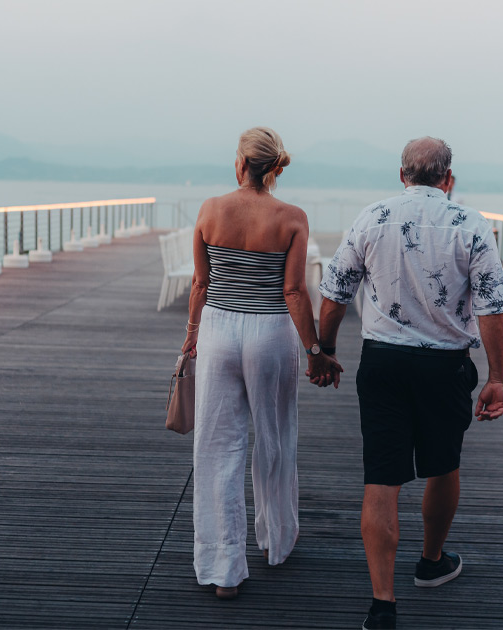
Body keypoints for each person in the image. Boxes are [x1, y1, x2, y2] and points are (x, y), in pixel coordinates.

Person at [312, 137, 503, 630]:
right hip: (445, 367)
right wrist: (498, 378)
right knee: (443, 466)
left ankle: (383, 604)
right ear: (449, 179)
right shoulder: (471, 224)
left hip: (383, 364)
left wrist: (325, 351)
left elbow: (336, 293)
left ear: (402, 176)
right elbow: (491, 310)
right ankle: (430, 562)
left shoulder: (371, 217)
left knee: (381, 480)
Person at [181, 127, 341, 600]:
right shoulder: (292, 217)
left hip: (218, 331)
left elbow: (200, 283)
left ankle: (222, 566)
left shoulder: (210, 209)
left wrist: (191, 336)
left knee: (216, 449)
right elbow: (293, 292)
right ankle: (276, 542)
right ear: (275, 169)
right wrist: (316, 351)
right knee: (274, 438)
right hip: (270, 331)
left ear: (239, 164)